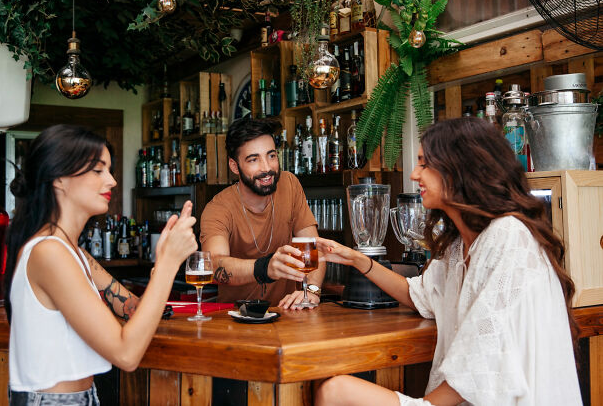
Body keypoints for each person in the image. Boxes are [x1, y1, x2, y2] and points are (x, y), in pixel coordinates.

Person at [315, 117, 581, 406]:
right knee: (334, 390)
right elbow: (420, 296)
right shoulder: (459, 246)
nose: (415, 174)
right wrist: (356, 259)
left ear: (461, 169)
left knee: (335, 392)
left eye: (425, 164)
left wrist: (425, 405)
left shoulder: (508, 236)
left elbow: (485, 354)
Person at [4, 125, 197, 404]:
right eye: (98, 170)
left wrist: (162, 260)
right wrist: (168, 264)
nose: (112, 181)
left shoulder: (74, 254)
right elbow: (126, 354)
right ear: (58, 178)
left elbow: (135, 312)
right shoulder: (49, 253)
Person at [200, 117, 324, 309]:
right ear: (234, 166)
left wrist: (313, 291)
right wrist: (264, 268)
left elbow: (314, 248)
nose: (266, 168)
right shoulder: (218, 208)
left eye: (271, 156)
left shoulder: (289, 184)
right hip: (235, 319)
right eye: (253, 159)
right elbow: (215, 264)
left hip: (287, 314)